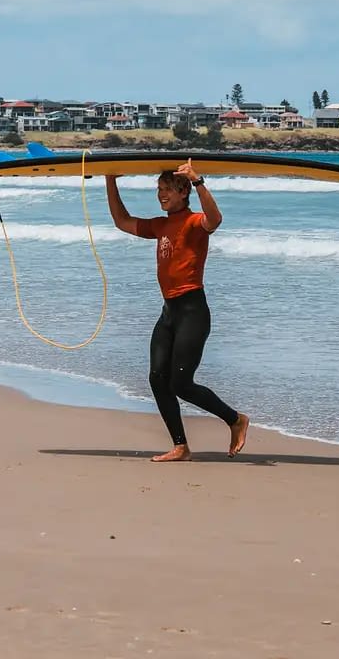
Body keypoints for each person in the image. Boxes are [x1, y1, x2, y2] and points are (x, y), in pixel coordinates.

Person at [105, 159, 249, 462]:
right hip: (169, 313)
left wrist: (199, 181)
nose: (161, 194)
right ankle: (180, 446)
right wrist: (110, 180)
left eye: (167, 189)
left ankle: (235, 419)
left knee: (181, 383)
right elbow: (122, 221)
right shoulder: (160, 225)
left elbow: (216, 219)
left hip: (193, 311)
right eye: (159, 189)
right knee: (157, 378)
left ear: (183, 191)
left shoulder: (195, 222)